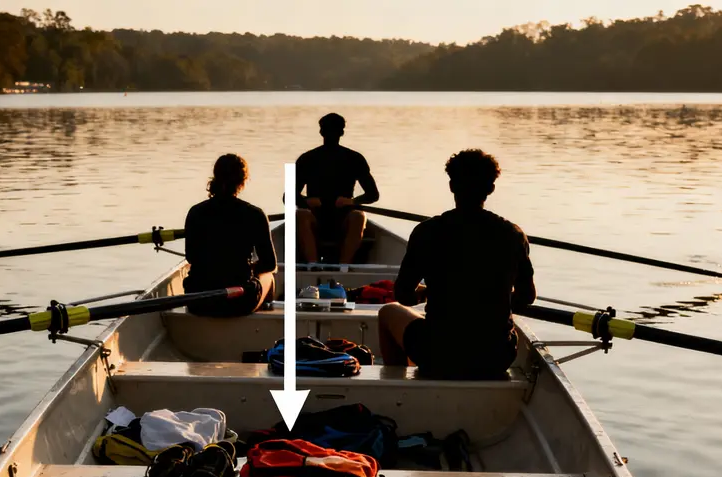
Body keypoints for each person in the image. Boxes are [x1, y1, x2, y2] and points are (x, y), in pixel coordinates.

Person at [378, 149, 535, 380]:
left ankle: (401, 389)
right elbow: (526, 297)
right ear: (490, 188)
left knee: (388, 312)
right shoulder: (513, 234)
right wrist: (490, 294)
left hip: (438, 353)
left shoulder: (427, 232)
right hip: (496, 356)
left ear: (452, 186)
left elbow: (403, 295)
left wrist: (425, 293)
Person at [183, 154, 277, 317]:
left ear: (215, 176)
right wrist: (249, 268)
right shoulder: (255, 214)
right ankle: (262, 320)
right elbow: (269, 264)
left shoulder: (195, 212)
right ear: (243, 181)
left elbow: (191, 257)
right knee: (269, 276)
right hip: (238, 302)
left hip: (199, 301)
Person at [295, 113, 380, 264]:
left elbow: (373, 194)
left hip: (343, 218)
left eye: (334, 130)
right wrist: (306, 201)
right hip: (316, 217)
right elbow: (288, 196)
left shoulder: (355, 159)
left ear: (341, 132)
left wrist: (352, 201)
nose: (331, 134)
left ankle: (344, 266)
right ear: (321, 132)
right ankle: (313, 264)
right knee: (301, 214)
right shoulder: (307, 159)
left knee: (358, 216)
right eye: (328, 130)